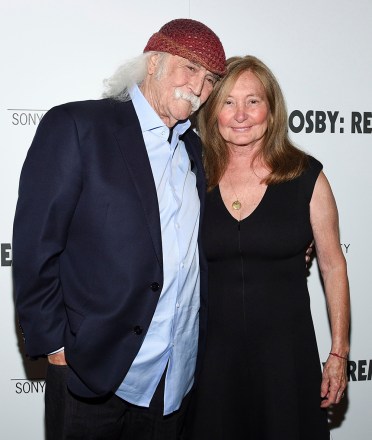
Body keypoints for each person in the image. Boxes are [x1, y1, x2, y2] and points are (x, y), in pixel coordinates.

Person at [12, 18, 227, 440]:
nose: (200, 88)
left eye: (210, 79)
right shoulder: (78, 126)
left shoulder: (194, 147)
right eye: (189, 68)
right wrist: (55, 348)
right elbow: (37, 247)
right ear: (154, 63)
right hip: (90, 372)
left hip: (172, 378)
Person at [185, 55, 350, 440]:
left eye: (253, 101)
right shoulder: (191, 174)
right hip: (211, 364)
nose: (240, 114)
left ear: (271, 109)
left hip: (286, 360)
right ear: (212, 111)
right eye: (228, 102)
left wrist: (339, 354)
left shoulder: (306, 176)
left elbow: (332, 265)